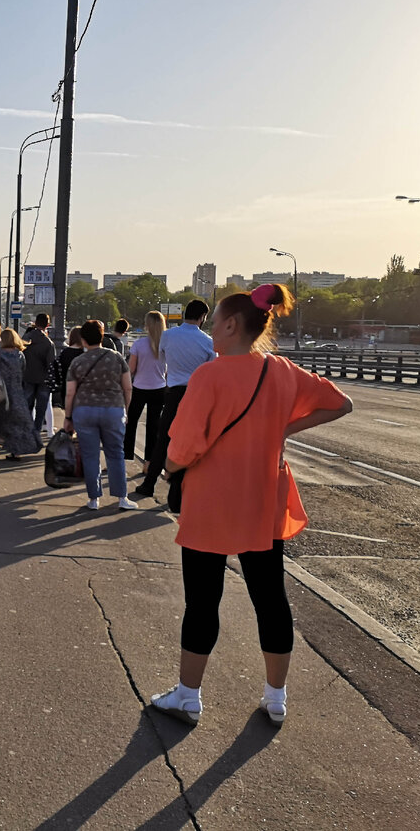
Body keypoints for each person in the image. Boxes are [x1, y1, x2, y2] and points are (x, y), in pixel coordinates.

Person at [149, 285, 352, 726]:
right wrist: (280, 429)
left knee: (203, 601)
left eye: (216, 320)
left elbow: (183, 449)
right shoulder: (281, 370)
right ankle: (276, 698)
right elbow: (341, 403)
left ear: (230, 325)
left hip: (212, 502)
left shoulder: (210, 375)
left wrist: (168, 467)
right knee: (270, 597)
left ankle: (188, 696)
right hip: (263, 499)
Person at [136, 300, 215, 499]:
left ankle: (149, 484)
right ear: (202, 317)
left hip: (172, 394)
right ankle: (178, 490)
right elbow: (212, 369)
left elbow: (162, 356)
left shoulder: (168, 336)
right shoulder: (207, 341)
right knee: (191, 442)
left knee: (163, 440)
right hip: (196, 397)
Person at [63, 320, 137, 511]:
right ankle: (122, 497)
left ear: (83, 340)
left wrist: (68, 417)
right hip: (113, 410)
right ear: (102, 336)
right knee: (115, 454)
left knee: (90, 455)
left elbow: (70, 392)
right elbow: (128, 387)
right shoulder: (117, 358)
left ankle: (94, 499)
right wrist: (126, 410)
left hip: (84, 410)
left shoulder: (78, 361)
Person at [0, 328, 41, 460]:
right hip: (16, 393)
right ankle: (15, 452)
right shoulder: (20, 355)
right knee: (14, 423)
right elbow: (23, 371)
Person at [124, 311, 168, 467]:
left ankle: (126, 455)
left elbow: (132, 369)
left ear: (147, 325)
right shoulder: (165, 344)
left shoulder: (139, 344)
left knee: (130, 422)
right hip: (159, 389)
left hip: (140, 388)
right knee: (153, 427)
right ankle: (148, 463)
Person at [22, 313, 57, 436]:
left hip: (27, 376)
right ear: (47, 325)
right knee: (41, 409)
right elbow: (51, 364)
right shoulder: (48, 343)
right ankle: (36, 433)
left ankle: (26, 432)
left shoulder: (26, 338)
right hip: (43, 379)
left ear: (35, 323)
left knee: (27, 406)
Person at [48, 326, 84, 410]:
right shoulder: (85, 353)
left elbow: (57, 370)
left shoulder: (64, 353)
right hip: (82, 390)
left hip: (66, 387)